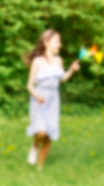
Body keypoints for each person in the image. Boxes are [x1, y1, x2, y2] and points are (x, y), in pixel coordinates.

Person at [26, 29, 80, 170]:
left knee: (50, 133)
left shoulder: (59, 60)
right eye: (57, 41)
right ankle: (35, 146)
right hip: (40, 98)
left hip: (53, 99)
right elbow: (30, 85)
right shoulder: (37, 62)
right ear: (46, 42)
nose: (59, 44)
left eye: (59, 41)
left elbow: (62, 78)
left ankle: (39, 168)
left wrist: (71, 70)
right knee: (41, 131)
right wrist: (37, 96)